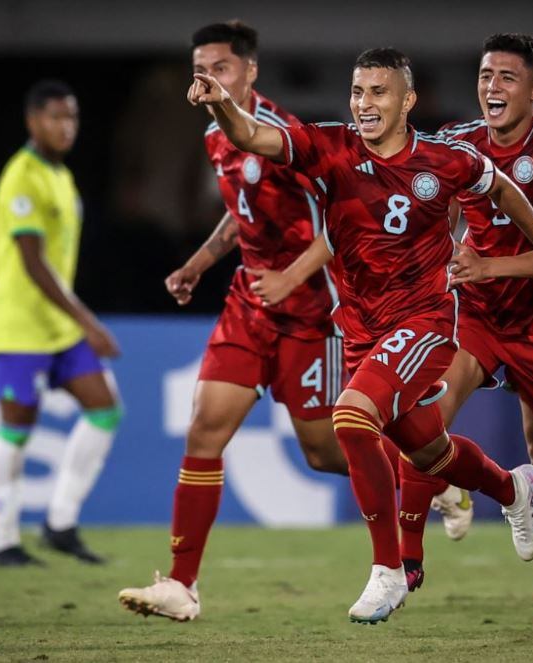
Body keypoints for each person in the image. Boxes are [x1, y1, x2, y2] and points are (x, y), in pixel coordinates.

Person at [187, 46, 533, 624]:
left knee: (349, 417)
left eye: (377, 93)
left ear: (407, 101)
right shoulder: (331, 147)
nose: (363, 104)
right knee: (427, 450)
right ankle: (512, 489)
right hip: (361, 330)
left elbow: (501, 190)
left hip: (423, 323)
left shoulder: (444, 160)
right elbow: (255, 137)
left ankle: (387, 570)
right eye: (357, 92)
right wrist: (223, 108)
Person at [118, 21, 348, 623]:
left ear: (250, 71)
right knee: (203, 433)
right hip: (249, 307)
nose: (207, 78)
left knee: (323, 455)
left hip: (309, 316)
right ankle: (182, 584)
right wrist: (197, 263)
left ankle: (431, 469)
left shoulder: (285, 134)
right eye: (200, 67)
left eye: (219, 67)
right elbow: (239, 215)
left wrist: (293, 277)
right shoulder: (215, 137)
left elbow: (344, 223)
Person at [409, 33, 533, 628]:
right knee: (422, 420)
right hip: (478, 314)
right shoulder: (459, 142)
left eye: (508, 77)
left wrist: (488, 263)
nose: (493, 86)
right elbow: (427, 197)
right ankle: (404, 561)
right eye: (486, 75)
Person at [0, 79, 122, 567]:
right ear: (32, 121)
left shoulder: (60, 175)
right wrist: (88, 321)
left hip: (57, 325)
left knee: (105, 408)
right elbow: (34, 263)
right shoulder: (22, 176)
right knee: (17, 427)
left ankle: (60, 522)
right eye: (56, 117)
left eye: (73, 117)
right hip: (21, 323)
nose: (67, 127)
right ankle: (5, 541)